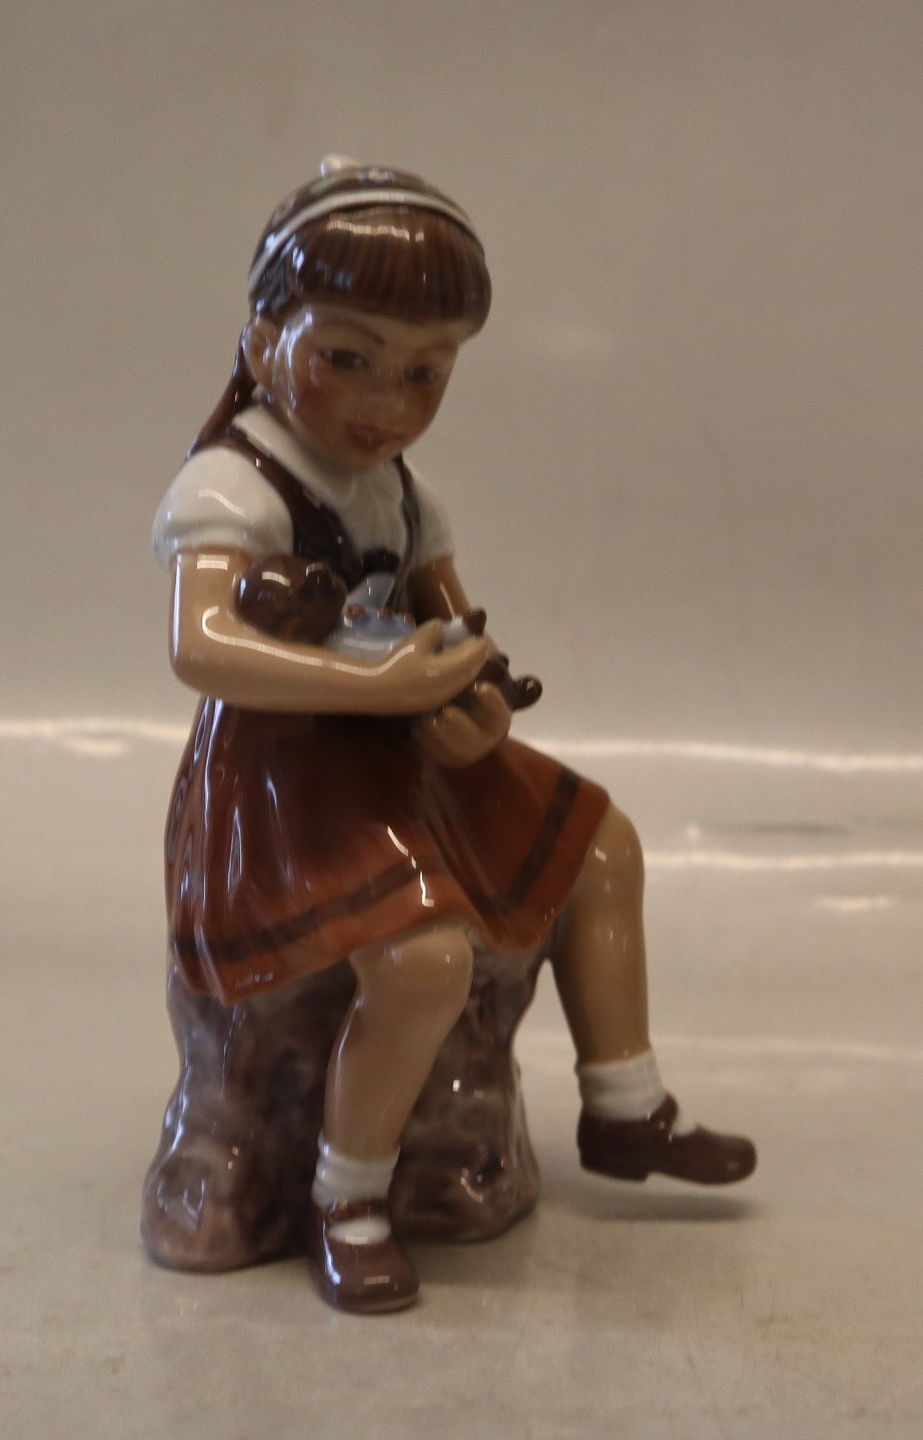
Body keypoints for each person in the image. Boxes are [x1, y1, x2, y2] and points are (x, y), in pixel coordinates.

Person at [151, 159, 755, 1315]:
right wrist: (371, 685)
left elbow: (459, 631)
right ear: (265, 337)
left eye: (425, 372)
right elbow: (201, 644)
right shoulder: (236, 485)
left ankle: (625, 1105)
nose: (386, 400)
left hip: (400, 761)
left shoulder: (401, 493)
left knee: (601, 844)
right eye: (349, 358)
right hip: (282, 785)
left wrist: (476, 714)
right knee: (423, 962)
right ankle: (348, 1196)